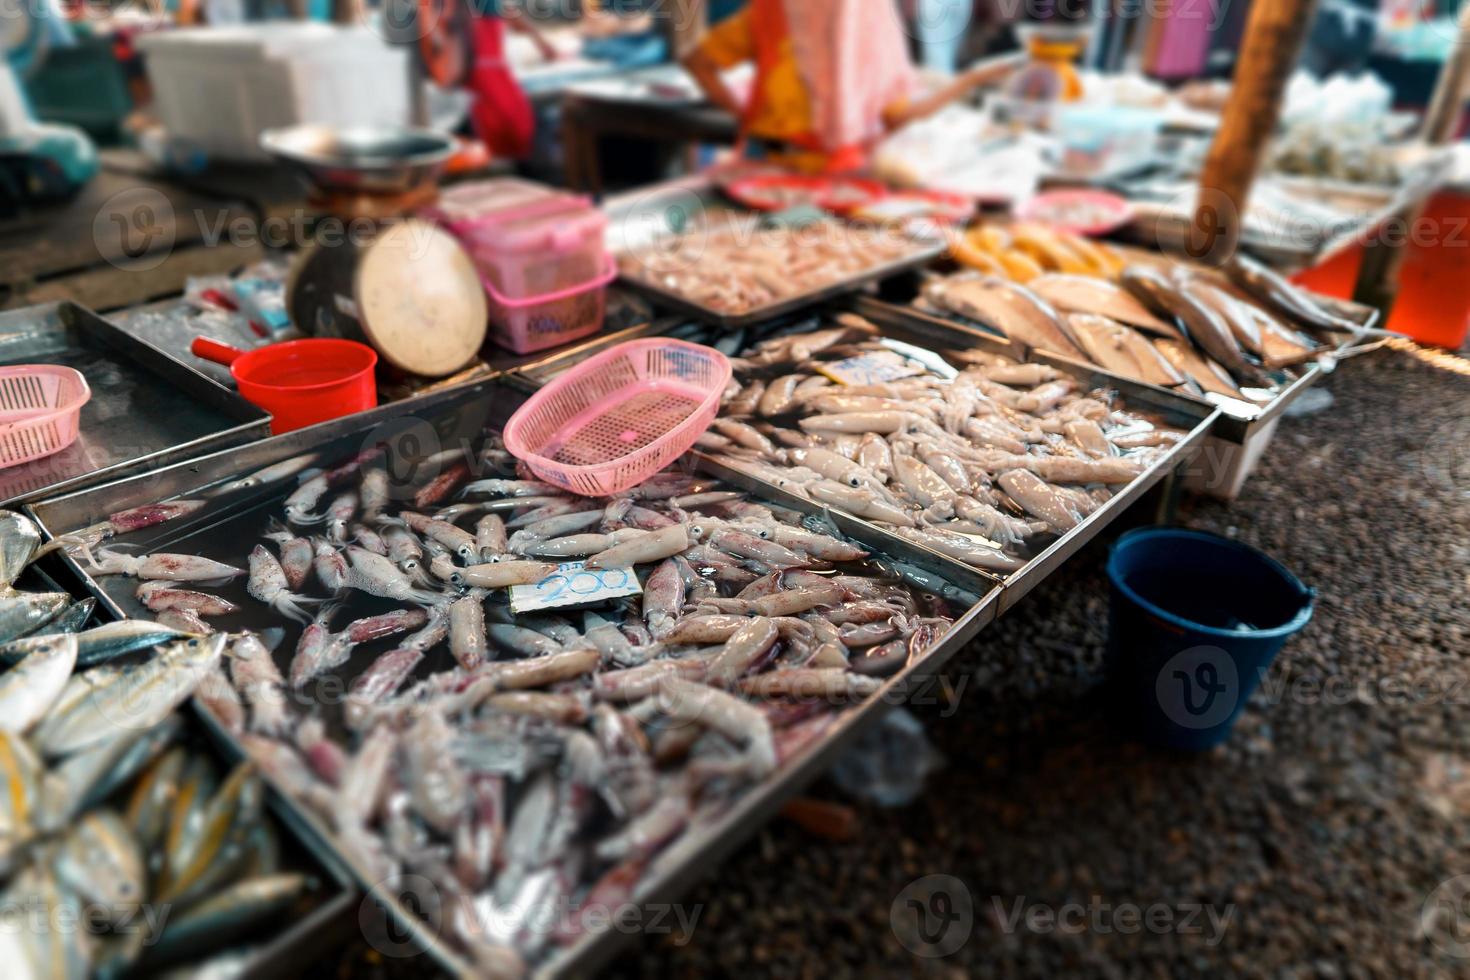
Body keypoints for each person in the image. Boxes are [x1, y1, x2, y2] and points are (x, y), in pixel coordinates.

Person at [681, 0, 1015, 173]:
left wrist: (972, 80)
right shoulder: (771, 15)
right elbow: (698, 61)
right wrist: (742, 112)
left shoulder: (867, 30)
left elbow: (898, 115)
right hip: (761, 170)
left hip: (837, 182)